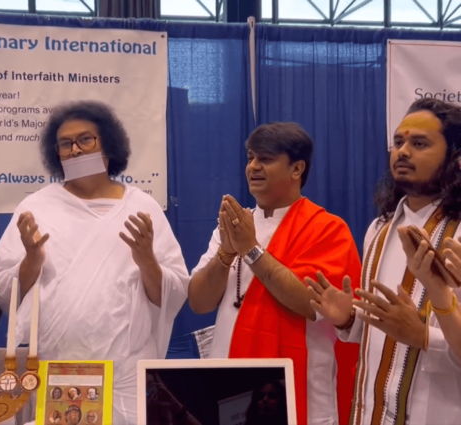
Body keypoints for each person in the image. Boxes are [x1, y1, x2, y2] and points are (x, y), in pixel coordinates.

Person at [0, 101, 189, 424]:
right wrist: (32, 260)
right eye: (65, 144)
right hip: (60, 372)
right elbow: (2, 290)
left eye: (85, 140)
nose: (75, 150)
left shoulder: (141, 207)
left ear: (107, 144)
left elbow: (175, 291)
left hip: (125, 373)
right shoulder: (37, 207)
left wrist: (146, 260)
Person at [189, 122, 362, 425]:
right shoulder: (234, 225)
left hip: (302, 393)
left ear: (297, 169)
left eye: (266, 159)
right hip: (232, 389)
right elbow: (199, 302)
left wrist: (251, 249)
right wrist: (227, 252)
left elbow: (307, 302)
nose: (253, 166)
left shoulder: (327, 229)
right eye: (250, 157)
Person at [307, 98, 461, 425]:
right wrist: (348, 321)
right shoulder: (379, 229)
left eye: (419, 143)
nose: (402, 151)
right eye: (398, 142)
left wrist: (423, 337)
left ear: (456, 158)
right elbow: (381, 333)